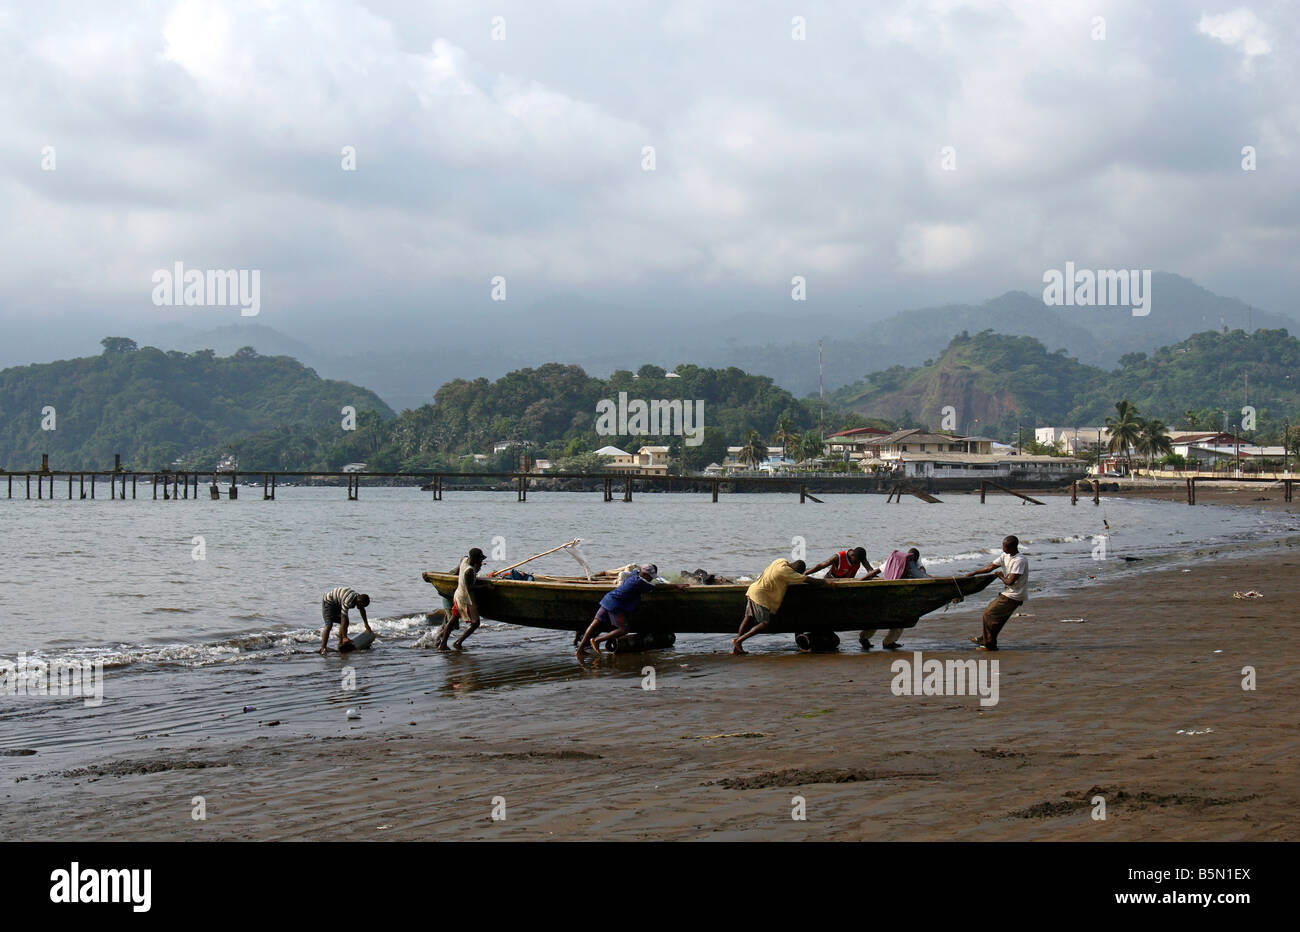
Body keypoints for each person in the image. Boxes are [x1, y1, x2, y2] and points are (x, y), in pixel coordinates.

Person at [575, 563, 684, 655]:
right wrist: (677, 586)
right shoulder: (641, 583)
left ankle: (579, 651)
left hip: (608, 599)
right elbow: (658, 587)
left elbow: (635, 570)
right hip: (616, 605)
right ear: (645, 574)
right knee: (624, 629)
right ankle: (597, 640)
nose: (652, 578)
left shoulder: (634, 574)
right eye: (650, 576)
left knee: (593, 625)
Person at [731, 558, 828, 655]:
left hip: (753, 589)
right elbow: (807, 579)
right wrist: (825, 582)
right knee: (764, 623)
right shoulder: (787, 572)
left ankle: (736, 649)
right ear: (795, 571)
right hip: (761, 596)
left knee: (747, 618)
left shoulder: (780, 561)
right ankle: (739, 641)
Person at [964, 535, 1028, 651]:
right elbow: (990, 567)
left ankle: (988, 643)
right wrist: (974, 573)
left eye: (1006, 547)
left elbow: (1010, 582)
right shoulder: (1005, 555)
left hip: (1014, 595)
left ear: (1013, 547)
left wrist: (1000, 576)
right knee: (996, 618)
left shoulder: (1020, 560)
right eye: (1003, 546)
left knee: (989, 614)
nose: (1003, 549)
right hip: (1008, 593)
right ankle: (986, 640)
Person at [861, 548, 927, 650]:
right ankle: (885, 641)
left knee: (882, 618)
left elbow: (874, 572)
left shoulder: (902, 560)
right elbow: (923, 576)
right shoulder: (904, 561)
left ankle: (869, 638)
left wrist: (861, 580)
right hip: (895, 595)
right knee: (898, 619)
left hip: (891, 595)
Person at [434, 548, 490, 651]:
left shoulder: (464, 560)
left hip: (457, 595)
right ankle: (457, 642)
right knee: (476, 623)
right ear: (476, 559)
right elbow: (469, 588)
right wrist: (485, 587)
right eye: (480, 560)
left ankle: (443, 643)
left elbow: (456, 572)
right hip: (465, 599)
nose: (481, 562)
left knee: (452, 620)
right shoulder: (469, 571)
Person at [318, 587, 372, 653]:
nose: (362, 607)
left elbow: (362, 611)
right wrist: (345, 637)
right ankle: (323, 648)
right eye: (362, 605)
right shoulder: (349, 600)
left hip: (337, 602)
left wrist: (366, 625)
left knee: (345, 622)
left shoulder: (358, 597)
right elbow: (343, 617)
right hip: (329, 602)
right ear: (359, 602)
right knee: (329, 624)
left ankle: (340, 643)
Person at [807, 547, 879, 580]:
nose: (858, 563)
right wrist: (804, 574)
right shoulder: (838, 557)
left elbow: (870, 570)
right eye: (857, 561)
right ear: (853, 555)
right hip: (831, 580)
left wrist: (875, 576)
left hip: (847, 582)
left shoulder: (860, 558)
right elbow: (821, 566)